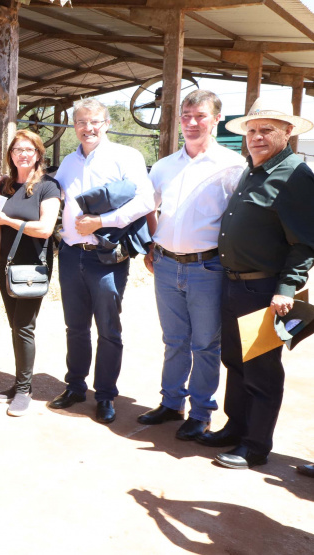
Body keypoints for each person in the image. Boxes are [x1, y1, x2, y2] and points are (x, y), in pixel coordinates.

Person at [196, 98, 314, 469]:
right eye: (252, 130)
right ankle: (236, 426)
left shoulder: (295, 176)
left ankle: (256, 445)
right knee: (235, 360)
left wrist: (286, 287)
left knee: (261, 369)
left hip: (264, 290)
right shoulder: (253, 169)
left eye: (267, 130)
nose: (257, 137)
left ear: (287, 133)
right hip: (234, 284)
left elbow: (305, 242)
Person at [137, 91, 245, 440]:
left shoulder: (232, 166)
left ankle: (200, 412)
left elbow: (240, 221)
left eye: (200, 116)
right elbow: (145, 207)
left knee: (205, 344)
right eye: (186, 115)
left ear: (216, 120)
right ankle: (171, 403)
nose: (192, 122)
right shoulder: (166, 165)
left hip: (208, 269)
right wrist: (152, 242)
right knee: (174, 340)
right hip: (166, 266)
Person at [49, 98, 154, 425]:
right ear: (74, 126)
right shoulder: (68, 162)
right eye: (81, 122)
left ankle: (106, 394)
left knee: (108, 329)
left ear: (106, 123)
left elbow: (146, 199)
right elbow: (51, 192)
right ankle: (76, 386)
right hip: (70, 255)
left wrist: (103, 221)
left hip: (105, 256)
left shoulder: (126, 156)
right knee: (75, 327)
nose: (87, 128)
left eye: (94, 121)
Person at [0, 130, 61, 416]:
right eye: (18, 149)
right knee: (15, 326)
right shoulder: (4, 186)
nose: (23, 154)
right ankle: (20, 382)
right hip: (7, 265)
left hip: (32, 265)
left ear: (38, 154)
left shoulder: (48, 186)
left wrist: (7, 219)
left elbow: (45, 228)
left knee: (24, 326)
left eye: (29, 150)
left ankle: (23, 390)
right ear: (10, 154)